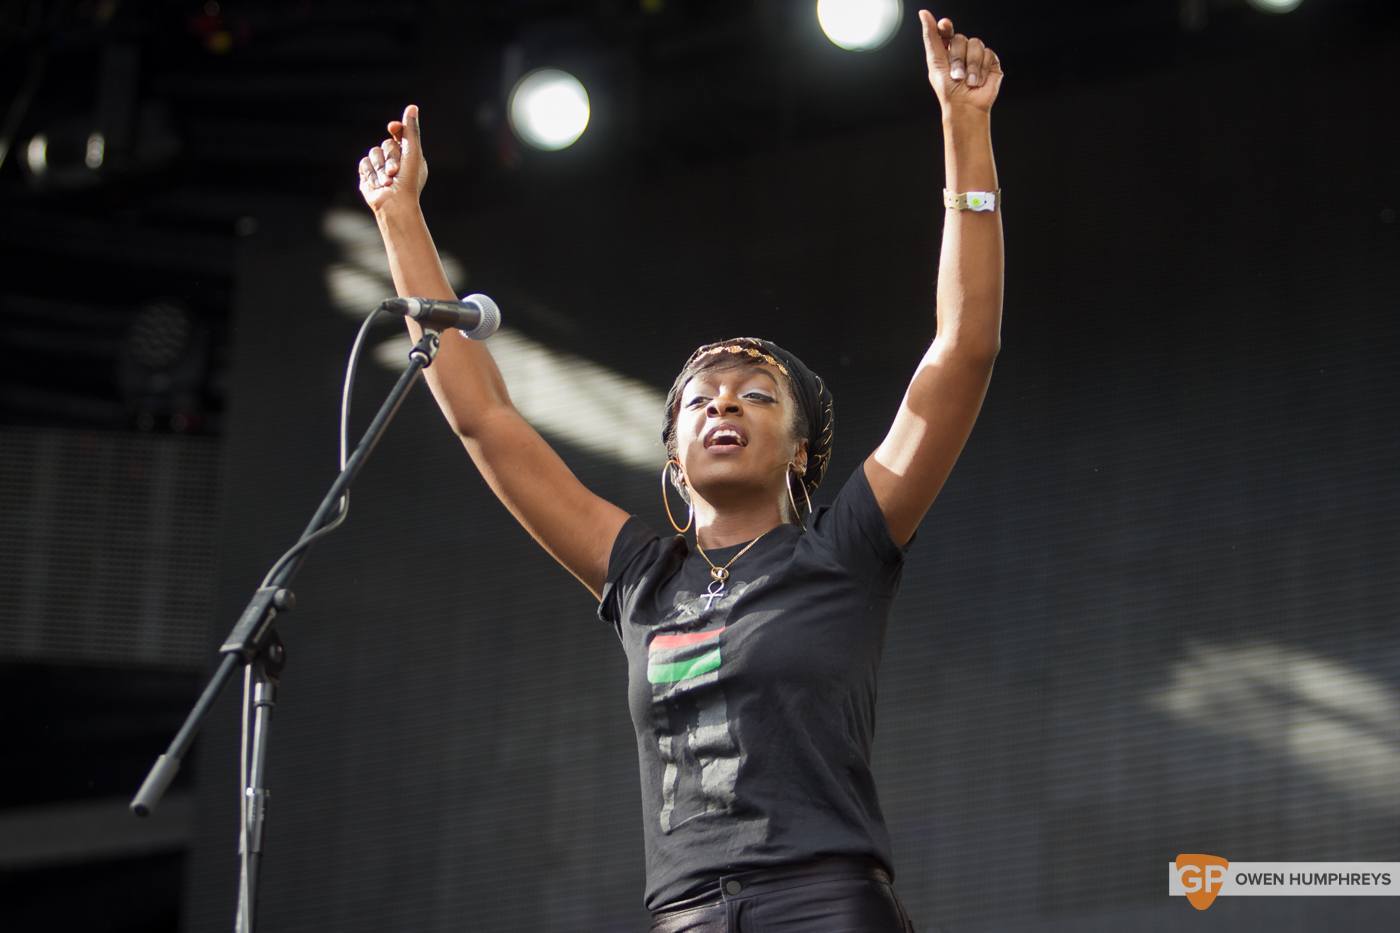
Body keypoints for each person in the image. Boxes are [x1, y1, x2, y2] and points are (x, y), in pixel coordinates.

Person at [357, 9, 1002, 932]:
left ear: (803, 451)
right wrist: (400, 218)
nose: (723, 406)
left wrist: (965, 128)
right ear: (672, 456)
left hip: (825, 903)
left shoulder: (843, 549)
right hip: (685, 917)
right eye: (700, 399)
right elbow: (486, 420)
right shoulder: (641, 577)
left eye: (755, 395)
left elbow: (963, 349)